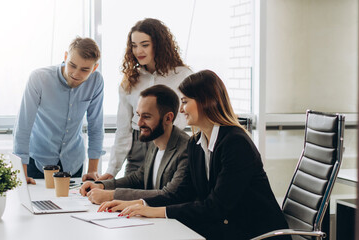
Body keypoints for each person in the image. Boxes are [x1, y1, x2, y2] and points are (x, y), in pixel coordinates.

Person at [98, 70, 291, 240]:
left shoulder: (235, 143)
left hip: (254, 233)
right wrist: (136, 204)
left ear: (205, 102)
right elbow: (181, 193)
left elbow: (215, 207)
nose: (181, 109)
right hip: (225, 229)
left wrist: (153, 211)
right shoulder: (196, 144)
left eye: (185, 102)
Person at [83, 18, 192, 181]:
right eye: (134, 45)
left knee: (159, 200)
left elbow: (188, 117)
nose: (138, 50)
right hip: (138, 148)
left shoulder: (183, 76)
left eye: (145, 44)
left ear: (159, 44)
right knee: (124, 199)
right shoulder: (130, 80)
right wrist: (111, 171)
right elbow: (123, 130)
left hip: (170, 146)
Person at [13, 37, 104, 184]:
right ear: (66, 57)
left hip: (73, 164)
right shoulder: (39, 78)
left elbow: (96, 125)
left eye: (85, 69)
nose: (76, 74)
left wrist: (93, 170)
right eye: (72, 65)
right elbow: (23, 126)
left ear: (94, 68)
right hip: (37, 162)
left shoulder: (96, 81)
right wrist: (22, 173)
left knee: (73, 206)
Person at [80, 85, 189, 204]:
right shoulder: (154, 141)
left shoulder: (186, 148)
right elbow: (139, 178)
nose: (139, 123)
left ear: (168, 118)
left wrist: (111, 195)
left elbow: (169, 194)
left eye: (146, 117)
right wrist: (101, 186)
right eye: (138, 115)